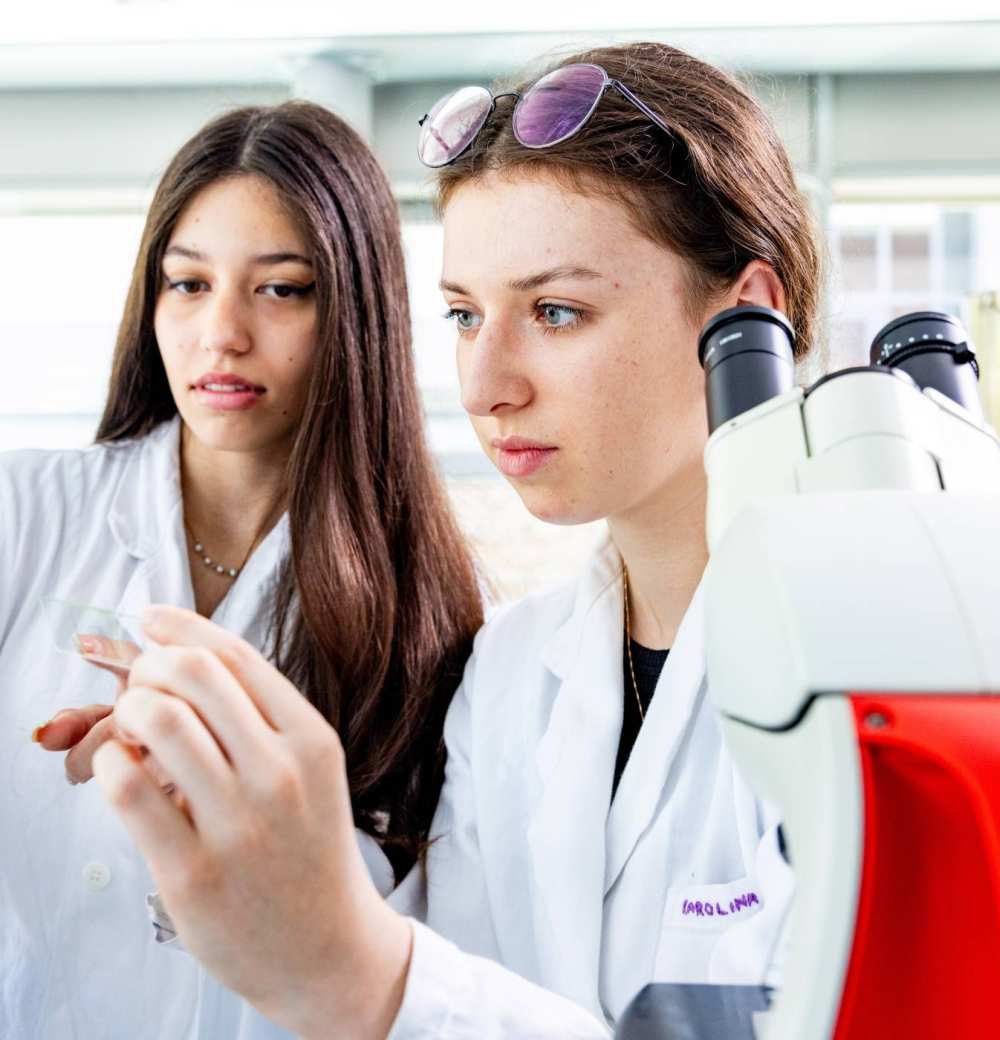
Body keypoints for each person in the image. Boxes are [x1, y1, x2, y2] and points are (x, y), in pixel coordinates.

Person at [83, 41, 821, 1038]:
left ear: (744, 315)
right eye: (467, 315)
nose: (484, 385)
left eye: (555, 311)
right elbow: (433, 994)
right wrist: (246, 841)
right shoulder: (511, 675)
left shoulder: (879, 657)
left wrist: (357, 964)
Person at [0, 102, 483, 1040]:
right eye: (187, 284)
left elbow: (417, 964)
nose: (220, 333)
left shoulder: (430, 615)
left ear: (355, 311)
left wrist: (229, 820)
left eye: (282, 289)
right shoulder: (25, 515)